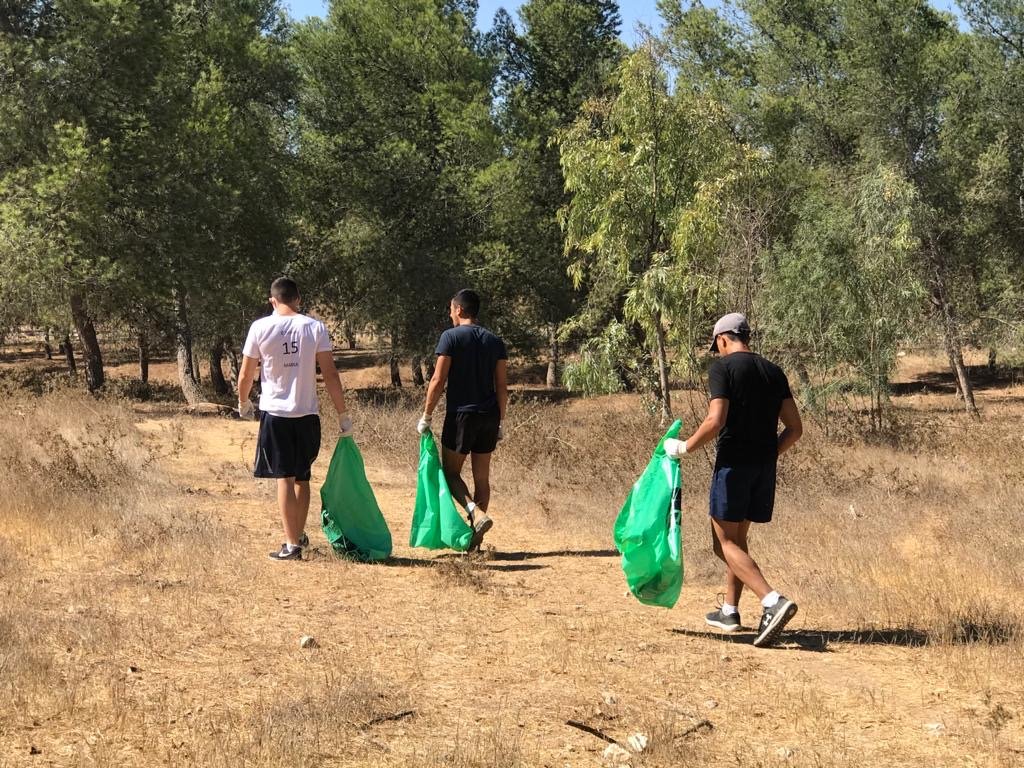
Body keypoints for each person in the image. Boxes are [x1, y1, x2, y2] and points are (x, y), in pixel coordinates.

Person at [663, 313, 803, 648]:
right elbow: (795, 429)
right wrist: (768, 456)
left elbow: (715, 419)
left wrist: (683, 447)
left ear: (723, 339)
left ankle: (772, 601)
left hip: (733, 467)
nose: (718, 351)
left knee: (722, 543)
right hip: (762, 470)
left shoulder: (723, 369)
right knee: (737, 540)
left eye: (717, 346)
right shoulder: (774, 371)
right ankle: (730, 611)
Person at [237, 277, 353, 561]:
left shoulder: (260, 327)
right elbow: (331, 375)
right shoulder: (315, 327)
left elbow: (246, 374)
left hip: (276, 414)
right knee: (302, 477)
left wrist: (243, 402)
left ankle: (292, 545)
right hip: (307, 415)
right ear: (298, 299)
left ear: (272, 301)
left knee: (284, 479)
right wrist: (342, 414)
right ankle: (298, 536)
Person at [417, 289, 508, 552]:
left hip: (461, 416)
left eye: (450, 309)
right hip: (489, 416)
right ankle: (474, 543)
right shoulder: (495, 341)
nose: (449, 314)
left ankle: (476, 515)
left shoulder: (450, 337)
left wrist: (426, 415)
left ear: (459, 310)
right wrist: (501, 422)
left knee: (451, 473)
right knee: (482, 479)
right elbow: (502, 386)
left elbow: (437, 380)